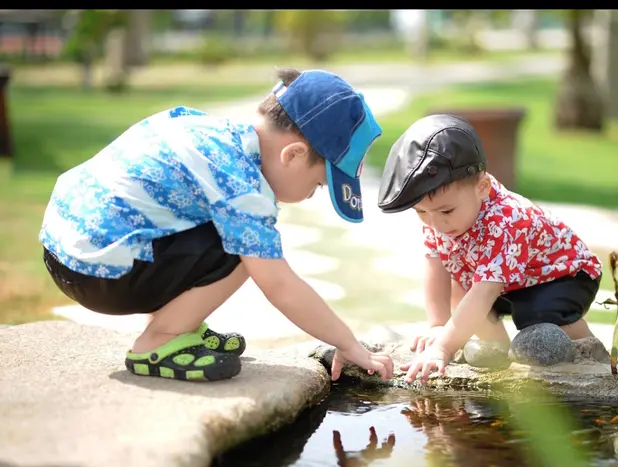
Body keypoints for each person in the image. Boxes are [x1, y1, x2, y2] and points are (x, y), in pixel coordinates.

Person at [40, 68, 394, 383]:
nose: (310, 196)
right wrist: (348, 344)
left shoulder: (209, 130)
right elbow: (280, 285)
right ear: (294, 155)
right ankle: (160, 340)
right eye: (318, 185)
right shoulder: (240, 183)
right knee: (248, 250)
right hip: (99, 275)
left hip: (66, 251)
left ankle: (180, 324)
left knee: (227, 230)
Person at [377, 114, 602, 384]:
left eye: (446, 210)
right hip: (509, 281)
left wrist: (443, 348)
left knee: (535, 316)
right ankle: (499, 356)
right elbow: (435, 265)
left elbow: (486, 292)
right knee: (462, 294)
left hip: (563, 276)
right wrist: (438, 324)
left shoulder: (507, 220)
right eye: (421, 212)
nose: (436, 223)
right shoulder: (439, 217)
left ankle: (591, 354)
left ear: (482, 187)